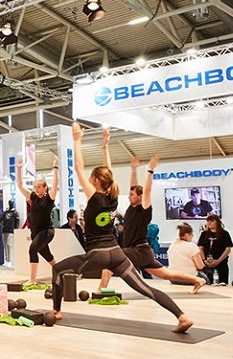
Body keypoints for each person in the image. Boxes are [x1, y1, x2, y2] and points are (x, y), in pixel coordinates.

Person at [51, 123, 193, 333]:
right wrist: (104, 146)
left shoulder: (95, 197)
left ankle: (56, 311)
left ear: (97, 181)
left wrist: (77, 139)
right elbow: (109, 174)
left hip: (98, 255)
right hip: (117, 254)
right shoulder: (113, 196)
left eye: (92, 178)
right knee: (146, 288)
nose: (88, 179)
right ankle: (182, 316)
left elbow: (78, 167)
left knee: (57, 269)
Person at [98, 152, 206, 294]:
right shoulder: (132, 208)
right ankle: (198, 280)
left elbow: (147, 190)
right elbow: (134, 186)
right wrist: (134, 169)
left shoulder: (144, 209)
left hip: (139, 250)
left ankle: (101, 290)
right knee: (166, 274)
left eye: (132, 195)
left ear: (140, 196)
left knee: (112, 260)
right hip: (141, 251)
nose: (129, 196)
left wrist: (150, 170)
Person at [16, 155, 59, 284]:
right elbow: (20, 185)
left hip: (46, 231)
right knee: (48, 256)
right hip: (35, 232)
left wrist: (55, 167)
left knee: (32, 249)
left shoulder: (49, 199)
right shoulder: (33, 197)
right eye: (35, 187)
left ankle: (32, 279)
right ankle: (61, 271)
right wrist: (18, 169)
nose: (37, 189)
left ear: (45, 188)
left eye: (40, 187)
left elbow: (55, 185)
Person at [197, 214, 233, 285]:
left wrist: (218, 261)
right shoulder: (204, 234)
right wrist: (204, 260)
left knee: (222, 283)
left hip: (221, 264)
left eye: (211, 221)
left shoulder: (224, 234)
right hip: (206, 263)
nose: (209, 223)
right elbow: (200, 247)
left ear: (217, 222)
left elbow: (228, 249)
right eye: (208, 221)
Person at [0, 200, 20, 265]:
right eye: (9, 203)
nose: (10, 204)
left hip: (11, 231)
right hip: (5, 230)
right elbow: (0, 218)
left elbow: (17, 221)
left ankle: (10, 260)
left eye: (11, 203)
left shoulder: (15, 212)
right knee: (5, 245)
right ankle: (7, 260)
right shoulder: (5, 212)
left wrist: (15, 229)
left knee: (9, 244)